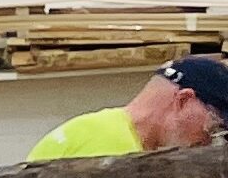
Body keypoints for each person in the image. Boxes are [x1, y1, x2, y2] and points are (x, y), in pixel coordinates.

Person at [28, 56, 228, 160]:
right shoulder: (101, 149)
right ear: (183, 101)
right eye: (213, 128)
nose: (207, 141)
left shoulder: (124, 139)